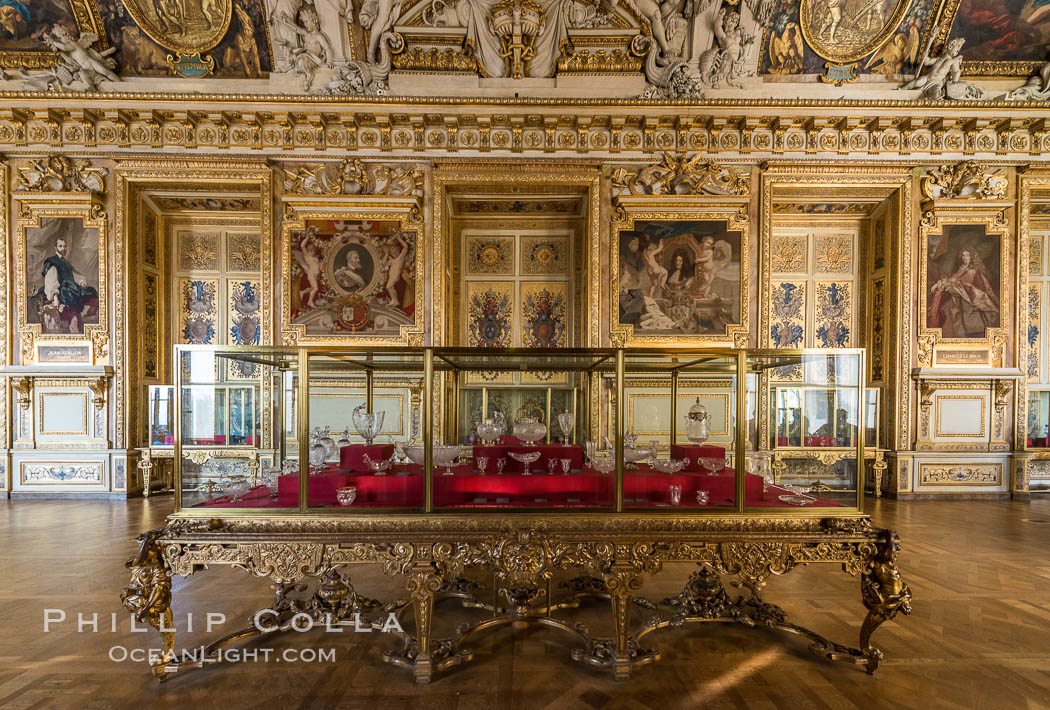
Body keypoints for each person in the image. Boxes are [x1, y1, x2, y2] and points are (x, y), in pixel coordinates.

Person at [34, 231, 98, 334]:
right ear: (55, 248)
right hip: (62, 289)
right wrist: (55, 298)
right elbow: (51, 280)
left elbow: (73, 275)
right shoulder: (52, 261)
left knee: (92, 291)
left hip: (72, 287)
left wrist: (81, 281)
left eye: (64, 246)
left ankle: (77, 318)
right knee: (68, 295)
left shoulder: (66, 263)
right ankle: (71, 319)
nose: (63, 249)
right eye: (60, 246)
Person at [928, 249, 1000, 338]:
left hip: (970, 306)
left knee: (974, 334)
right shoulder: (957, 271)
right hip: (956, 305)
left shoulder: (974, 272)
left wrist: (996, 303)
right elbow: (950, 283)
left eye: (967, 255)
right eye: (963, 255)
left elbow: (986, 289)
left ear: (971, 257)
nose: (965, 258)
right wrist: (941, 284)